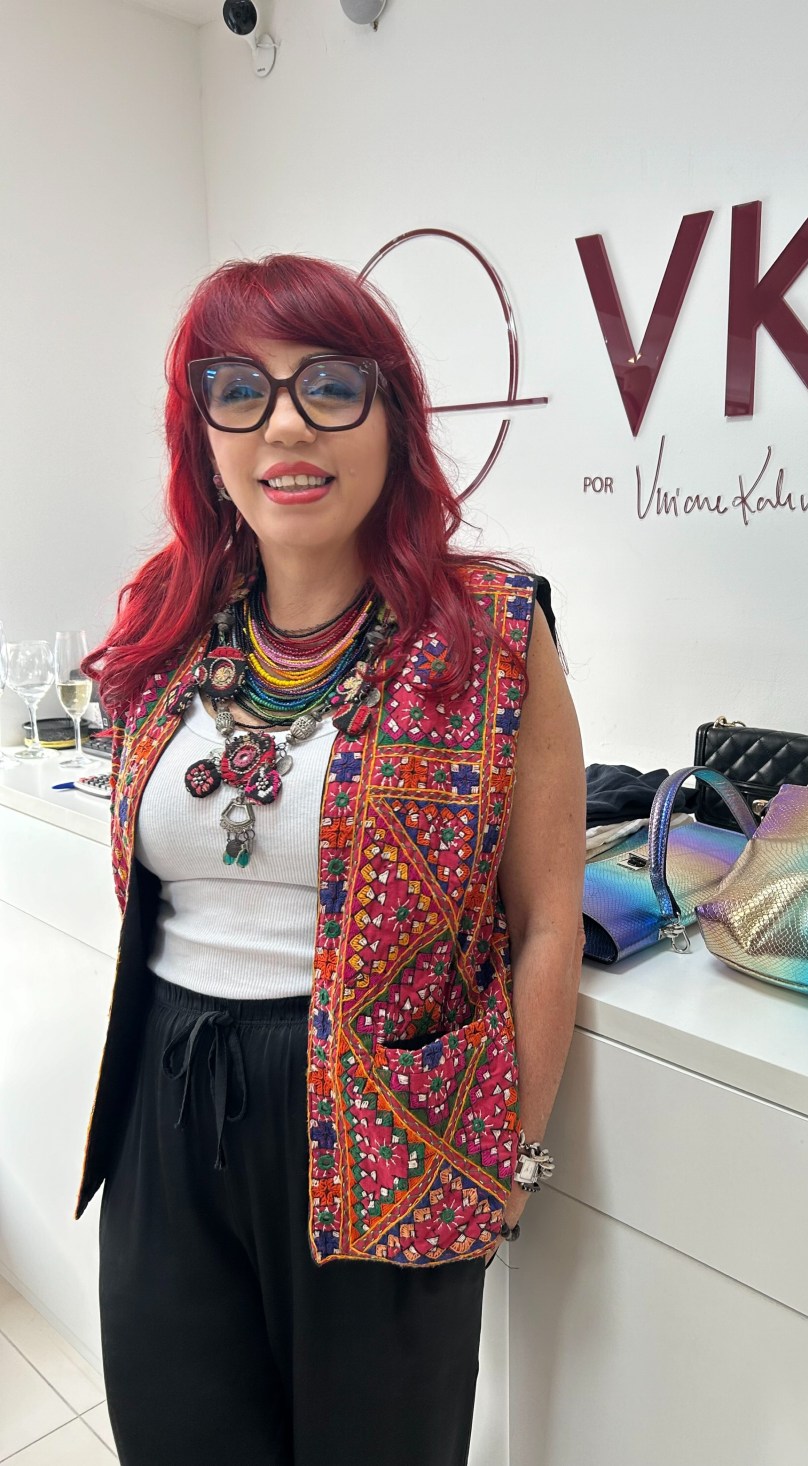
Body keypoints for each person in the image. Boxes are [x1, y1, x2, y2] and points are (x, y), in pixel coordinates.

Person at [78, 253, 586, 1466]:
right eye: (238, 389)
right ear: (202, 432)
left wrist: (510, 1159)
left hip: (392, 1122)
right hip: (163, 1101)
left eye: (330, 384)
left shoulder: (488, 630)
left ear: (390, 414)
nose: (286, 425)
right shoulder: (167, 618)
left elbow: (546, 921)